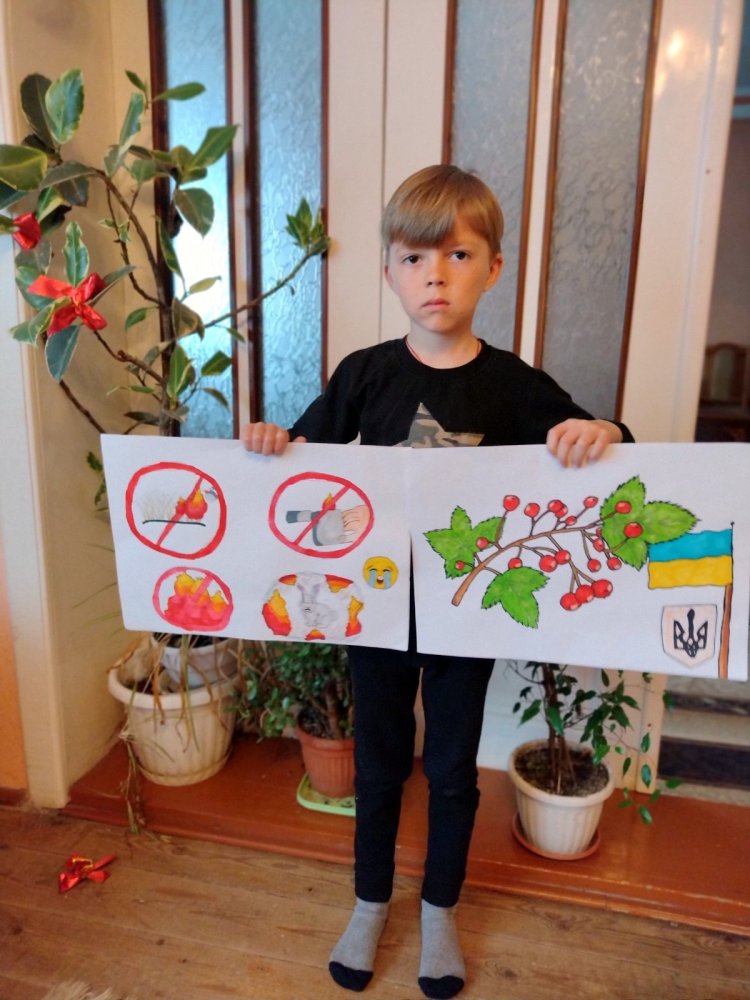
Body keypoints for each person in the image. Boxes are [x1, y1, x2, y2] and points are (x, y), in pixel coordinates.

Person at [243, 164, 633, 999]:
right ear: (388, 270)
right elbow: (305, 461)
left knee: (453, 769)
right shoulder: (365, 373)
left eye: (458, 255)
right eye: (415, 258)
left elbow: (605, 439)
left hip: (466, 615)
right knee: (380, 765)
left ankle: (440, 911)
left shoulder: (513, 383)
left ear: (493, 269)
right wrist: (274, 443)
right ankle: (369, 903)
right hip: (378, 609)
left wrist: (600, 430)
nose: (436, 276)